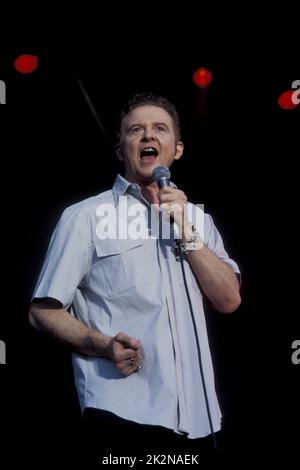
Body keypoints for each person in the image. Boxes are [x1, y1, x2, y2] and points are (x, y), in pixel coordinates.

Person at [29, 93, 241, 462]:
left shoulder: (197, 220)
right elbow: (42, 311)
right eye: (136, 130)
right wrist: (104, 344)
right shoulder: (86, 216)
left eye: (159, 129)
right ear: (120, 147)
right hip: (122, 413)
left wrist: (185, 229)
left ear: (176, 149)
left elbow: (228, 300)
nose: (148, 137)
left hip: (201, 421)